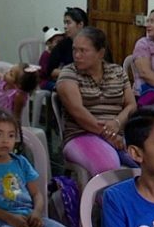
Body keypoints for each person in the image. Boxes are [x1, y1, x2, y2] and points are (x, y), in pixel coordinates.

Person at [56, 27, 137, 175]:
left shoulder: (117, 72)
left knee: (151, 163)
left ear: (100, 53)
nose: (77, 55)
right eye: (75, 50)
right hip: (81, 135)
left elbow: (131, 105)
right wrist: (108, 135)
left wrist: (117, 123)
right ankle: (104, 198)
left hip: (118, 136)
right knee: (108, 167)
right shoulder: (68, 73)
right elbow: (78, 111)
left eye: (83, 51)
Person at [46, 7, 88, 82]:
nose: (65, 27)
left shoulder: (94, 42)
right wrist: (70, 73)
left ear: (80, 24)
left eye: (68, 23)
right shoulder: (62, 45)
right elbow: (50, 70)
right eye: (64, 23)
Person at [38, 26, 65, 91]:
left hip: (57, 79)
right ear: (49, 43)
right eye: (58, 42)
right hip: (45, 81)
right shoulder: (45, 55)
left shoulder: (60, 54)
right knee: (59, 88)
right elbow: (47, 72)